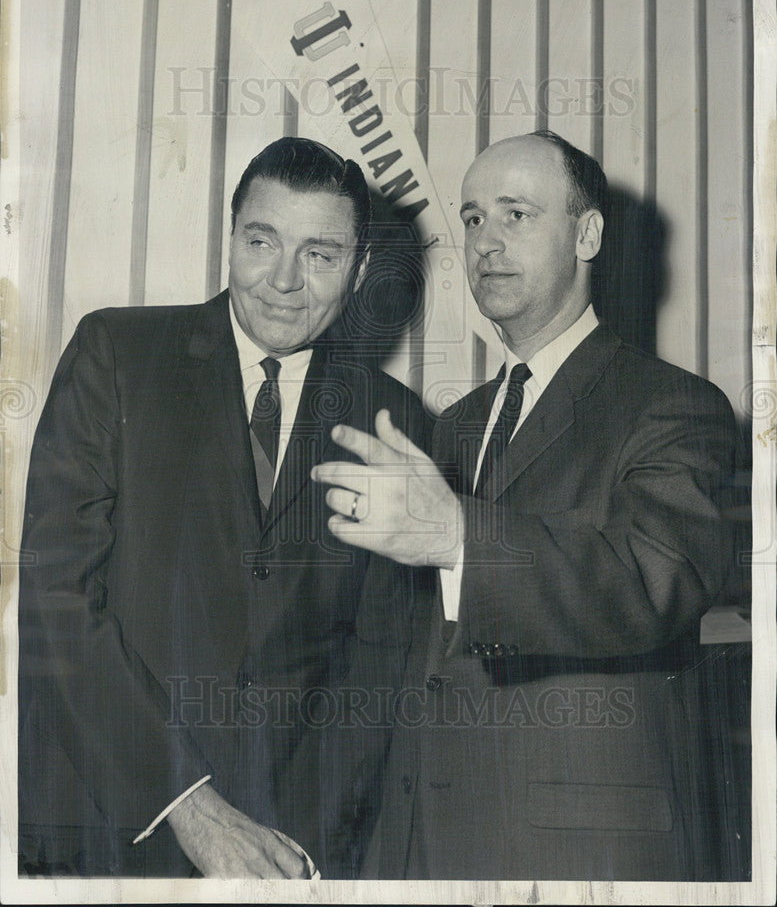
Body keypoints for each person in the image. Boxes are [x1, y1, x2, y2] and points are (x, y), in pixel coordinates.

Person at [312, 131, 744, 881]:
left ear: (587, 234)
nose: (485, 242)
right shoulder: (454, 424)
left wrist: (459, 539)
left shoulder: (674, 405)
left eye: (515, 214)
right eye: (473, 219)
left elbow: (652, 582)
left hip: (583, 850)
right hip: (433, 839)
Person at [18, 137, 425, 878]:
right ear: (230, 235)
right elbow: (55, 599)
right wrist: (188, 806)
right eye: (261, 241)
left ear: (360, 270)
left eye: (320, 254)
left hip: (283, 850)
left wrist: (298, 850)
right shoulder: (117, 353)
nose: (282, 281)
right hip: (107, 826)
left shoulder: (392, 420)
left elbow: (375, 668)